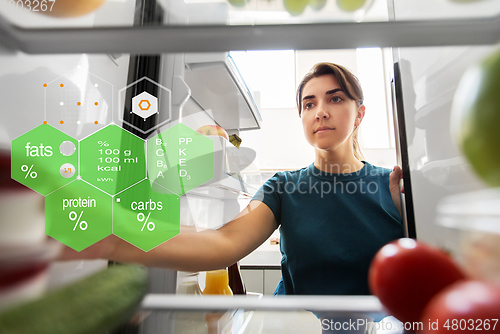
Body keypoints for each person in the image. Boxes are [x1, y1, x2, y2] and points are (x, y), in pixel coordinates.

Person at [59, 62, 404, 296]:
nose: (320, 112)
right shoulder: (284, 187)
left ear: (359, 113)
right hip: (297, 327)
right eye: (309, 104)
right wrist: (113, 235)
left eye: (335, 98)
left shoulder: (391, 186)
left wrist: (409, 216)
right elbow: (222, 245)